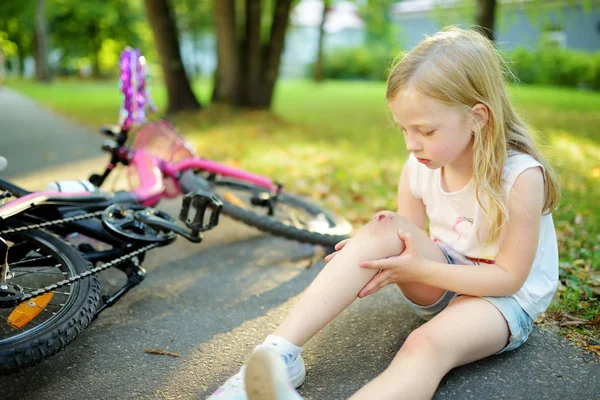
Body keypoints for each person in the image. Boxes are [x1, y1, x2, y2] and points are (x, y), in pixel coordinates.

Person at [208, 26, 561, 400]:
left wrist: (419, 269)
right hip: (443, 276)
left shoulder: (520, 176)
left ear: (477, 117)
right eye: (404, 129)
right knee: (383, 226)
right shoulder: (419, 165)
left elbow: (508, 279)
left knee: (423, 345)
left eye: (425, 130)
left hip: (502, 302)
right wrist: (371, 252)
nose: (411, 143)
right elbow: (404, 235)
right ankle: (277, 355)